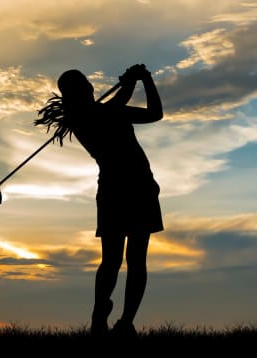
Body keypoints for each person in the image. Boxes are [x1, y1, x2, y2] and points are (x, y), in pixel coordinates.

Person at [46, 64, 164, 337]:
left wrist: (139, 81)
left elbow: (154, 114)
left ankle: (119, 320)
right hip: (127, 189)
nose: (89, 86)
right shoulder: (86, 117)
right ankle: (106, 317)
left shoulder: (101, 113)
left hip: (132, 188)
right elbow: (122, 105)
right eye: (84, 83)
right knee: (124, 260)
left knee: (124, 260)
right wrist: (137, 80)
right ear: (81, 91)